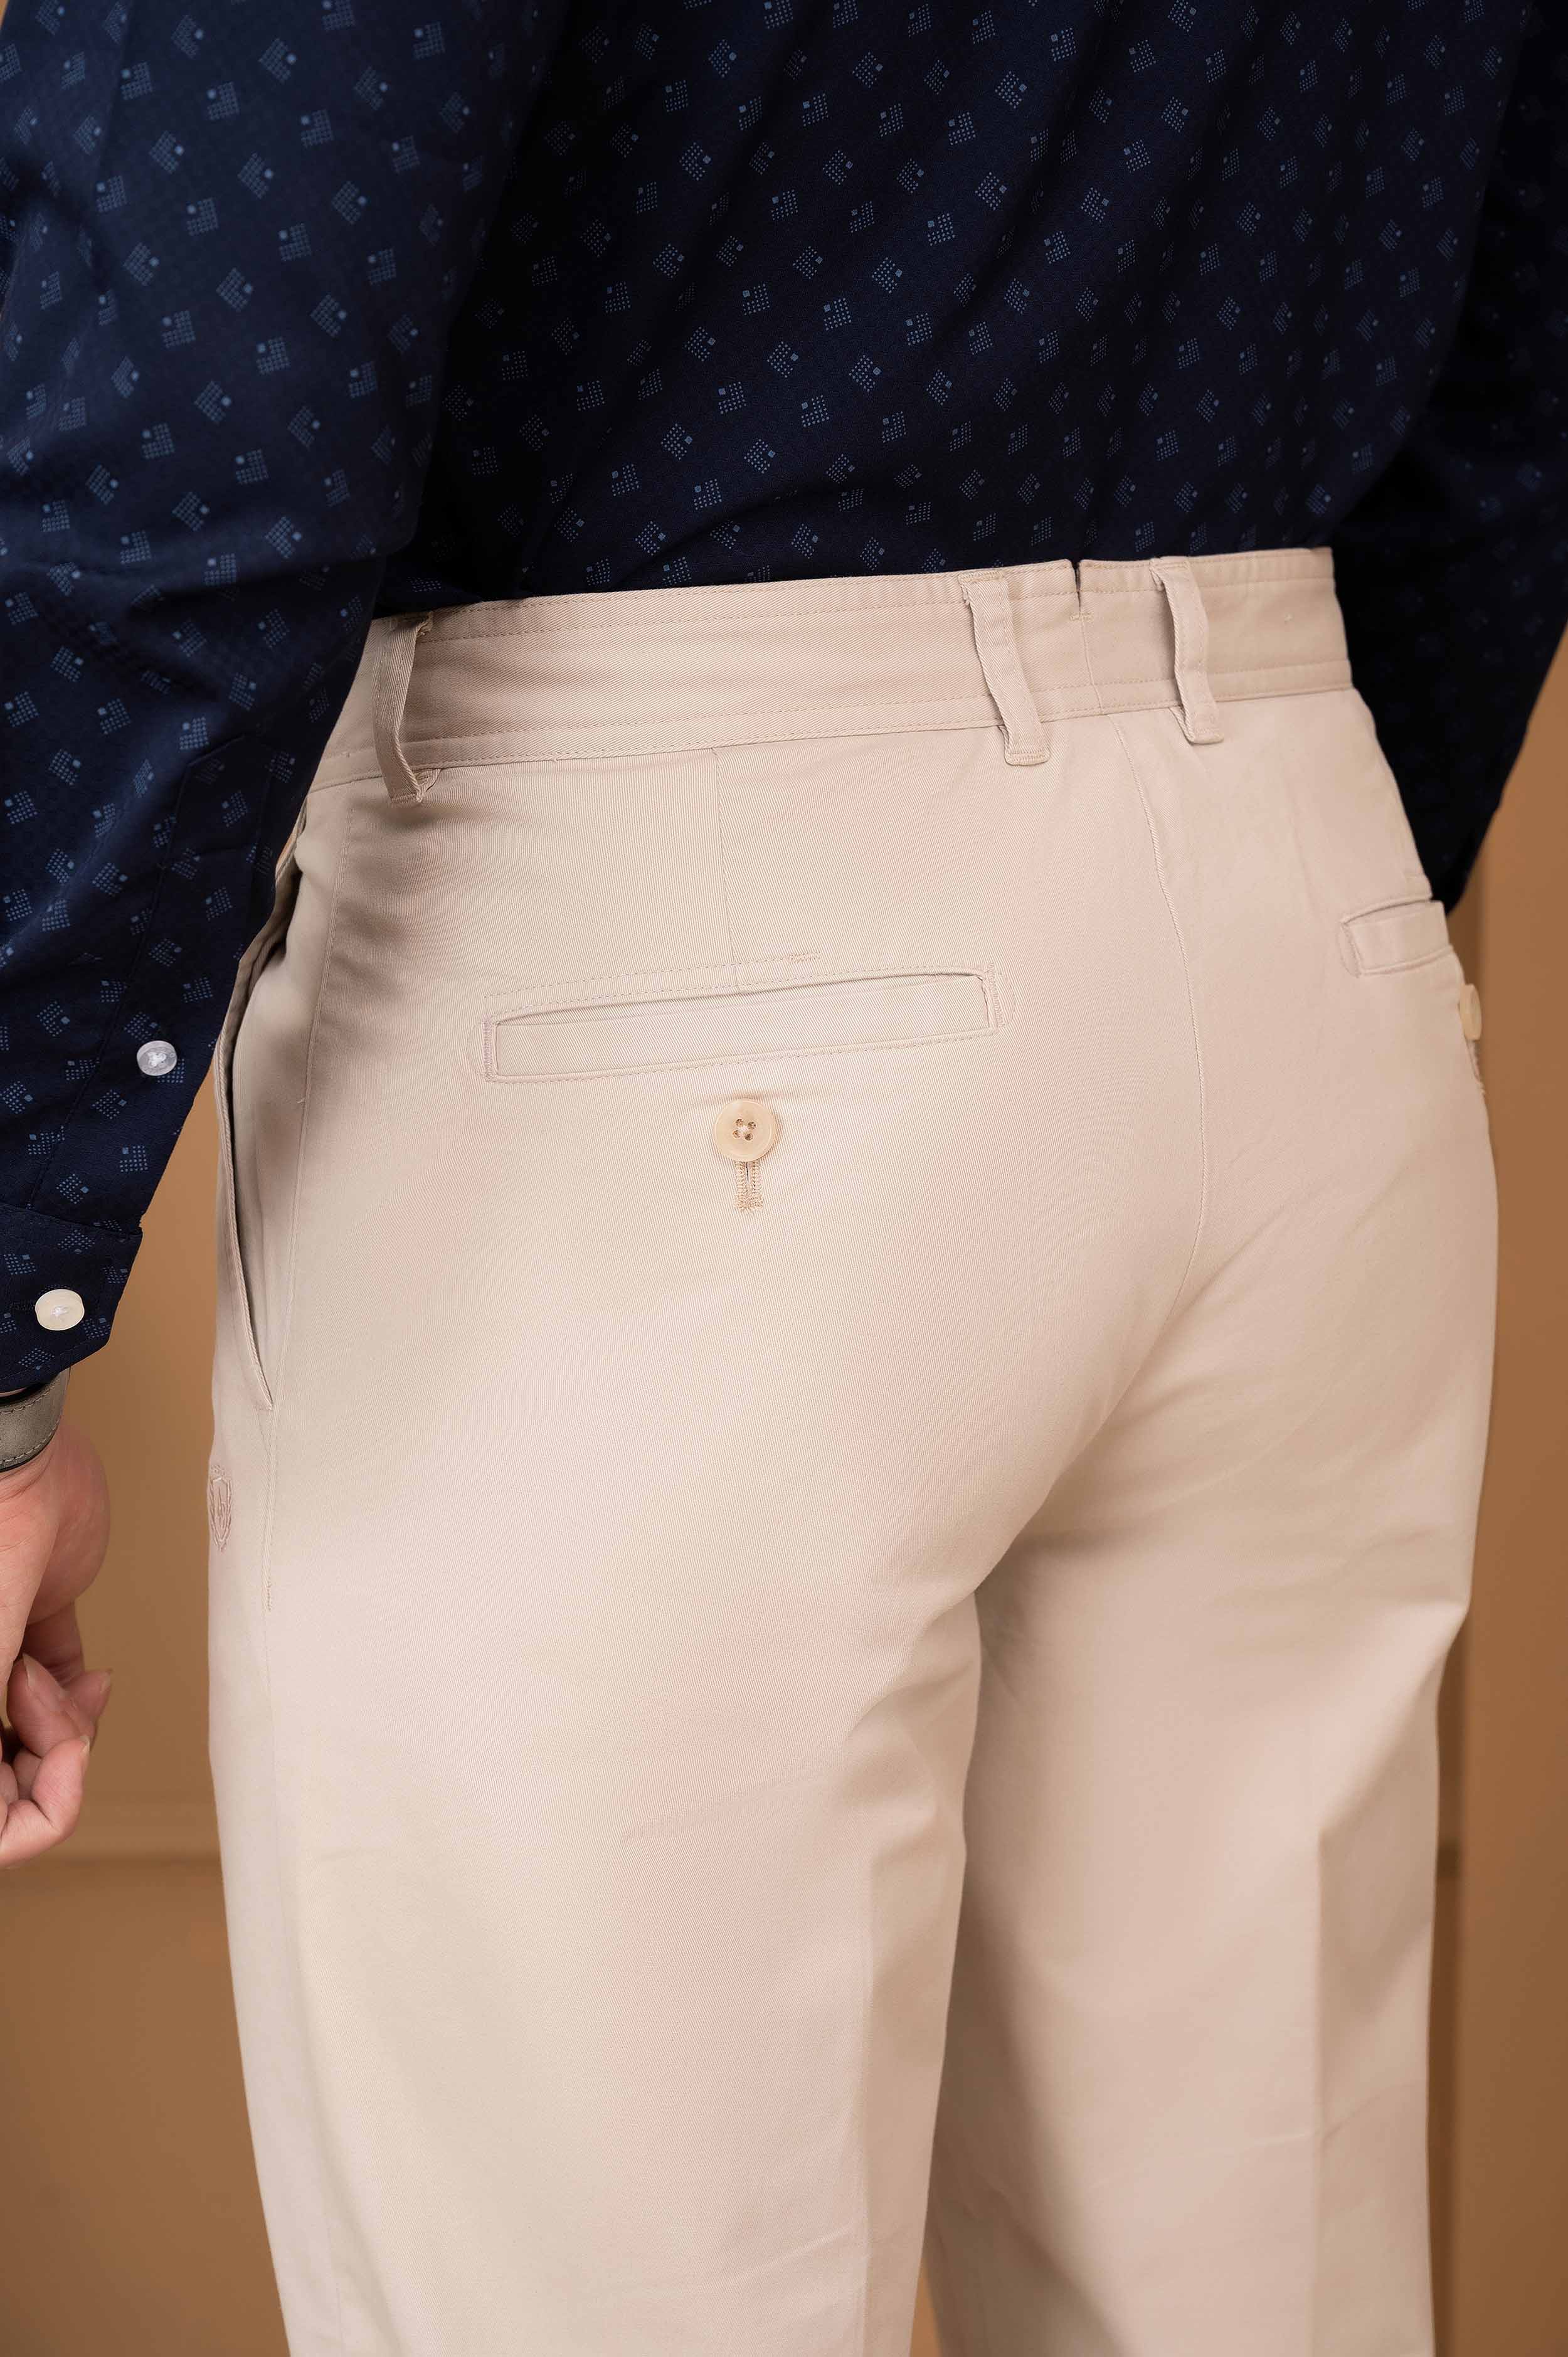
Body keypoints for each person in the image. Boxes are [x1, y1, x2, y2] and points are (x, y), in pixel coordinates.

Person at [0, 1, 1560, 2349]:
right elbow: (1515, 357)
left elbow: (200, 411)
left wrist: (7, 1302)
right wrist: (1279, 878)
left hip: (650, 939)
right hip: (1296, 878)